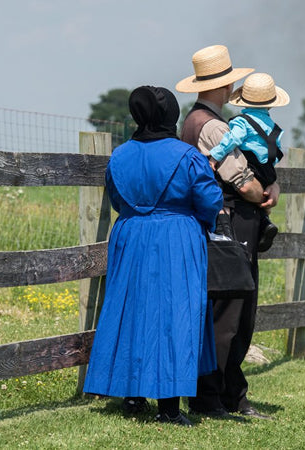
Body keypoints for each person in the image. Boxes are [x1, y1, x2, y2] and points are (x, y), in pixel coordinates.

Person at [83, 86, 224, 427]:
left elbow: (117, 200)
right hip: (177, 236)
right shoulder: (186, 156)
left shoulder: (119, 156)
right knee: (175, 315)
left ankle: (132, 395)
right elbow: (210, 202)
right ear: (169, 115)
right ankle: (169, 408)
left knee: (131, 310)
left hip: (130, 236)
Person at [177, 44, 279, 420]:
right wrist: (264, 193)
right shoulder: (215, 125)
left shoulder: (193, 120)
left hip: (220, 219)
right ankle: (214, 396)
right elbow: (241, 179)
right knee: (233, 310)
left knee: (225, 308)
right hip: (234, 219)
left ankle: (227, 393)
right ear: (226, 84)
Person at [207, 72, 290, 252]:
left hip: (252, 165)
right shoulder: (272, 124)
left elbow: (231, 140)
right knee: (263, 198)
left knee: (236, 187)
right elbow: (276, 150)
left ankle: (262, 221)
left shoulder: (241, 122)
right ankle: (265, 220)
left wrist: (214, 156)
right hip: (268, 169)